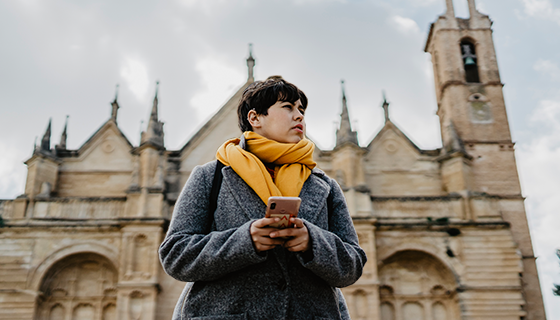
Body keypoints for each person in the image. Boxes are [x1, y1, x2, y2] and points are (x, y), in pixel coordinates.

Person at [159, 76, 367, 320]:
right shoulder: (209, 177)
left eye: (301, 110)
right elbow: (176, 255)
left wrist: (312, 242)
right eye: (288, 108)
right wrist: (245, 241)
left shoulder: (325, 185)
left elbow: (353, 264)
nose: (299, 116)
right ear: (255, 118)